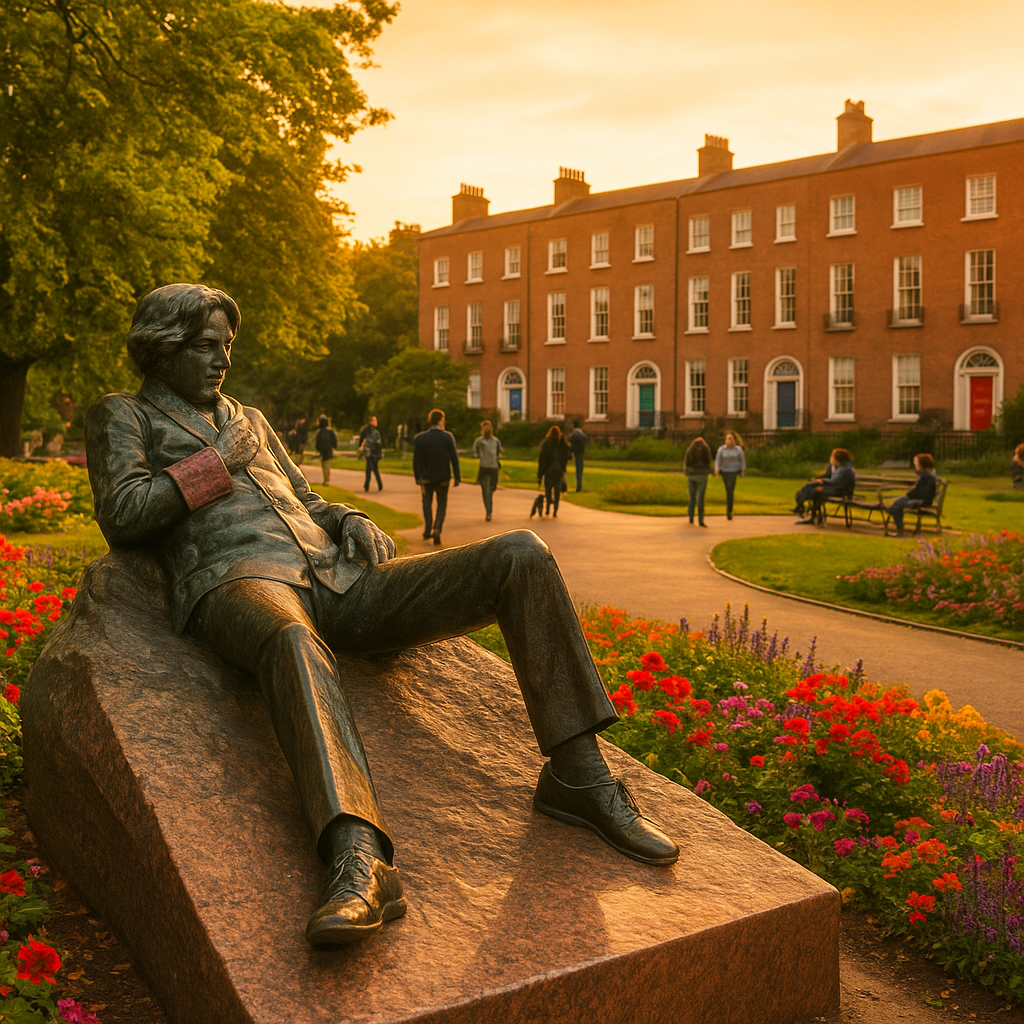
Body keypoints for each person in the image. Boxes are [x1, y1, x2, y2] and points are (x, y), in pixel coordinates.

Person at [86, 284, 678, 950]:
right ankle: (359, 858)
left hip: (336, 579)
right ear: (161, 347)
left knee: (521, 555)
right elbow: (126, 514)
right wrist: (215, 463)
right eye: (204, 345)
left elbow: (308, 499)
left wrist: (352, 518)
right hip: (237, 581)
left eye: (226, 345)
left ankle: (579, 775)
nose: (221, 359)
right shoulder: (124, 415)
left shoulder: (249, 416)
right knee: (290, 640)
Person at [412, 409, 460, 545]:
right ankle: (437, 528)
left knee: (426, 503)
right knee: (441, 504)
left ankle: (428, 529)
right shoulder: (447, 437)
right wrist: (457, 476)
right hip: (443, 477)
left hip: (426, 478)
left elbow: (417, 460)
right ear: (441, 420)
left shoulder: (420, 438)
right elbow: (454, 458)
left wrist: (417, 476)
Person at [793, 448, 855, 523]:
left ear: (837, 458)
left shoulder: (844, 469)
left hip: (840, 492)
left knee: (814, 490)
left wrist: (821, 482)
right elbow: (834, 481)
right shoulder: (842, 467)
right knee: (813, 487)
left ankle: (802, 506)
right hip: (837, 489)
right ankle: (802, 506)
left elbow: (834, 482)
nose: (830, 458)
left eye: (832, 456)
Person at [887, 453, 937, 537]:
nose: (915, 464)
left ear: (922, 464)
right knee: (896, 504)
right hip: (923, 500)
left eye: (916, 462)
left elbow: (918, 492)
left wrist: (908, 496)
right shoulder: (929, 474)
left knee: (894, 506)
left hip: (920, 501)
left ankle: (900, 531)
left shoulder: (926, 476)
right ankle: (900, 530)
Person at [472, 420, 503, 522]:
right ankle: (488, 511)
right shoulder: (479, 441)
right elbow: (475, 452)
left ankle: (489, 509)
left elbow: (499, 452)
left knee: (492, 489)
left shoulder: (496, 441)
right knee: (485, 491)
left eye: (488, 427)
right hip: (484, 467)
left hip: (493, 467)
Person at [537, 425, 570, 517]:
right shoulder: (562, 444)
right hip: (558, 471)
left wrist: (540, 475)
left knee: (548, 490)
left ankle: (547, 508)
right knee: (557, 491)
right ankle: (555, 509)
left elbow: (542, 460)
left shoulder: (546, 444)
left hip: (548, 471)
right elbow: (566, 457)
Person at [714, 432, 745, 521]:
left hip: (733, 471)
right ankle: (729, 508)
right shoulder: (722, 450)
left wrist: (742, 470)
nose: (729, 441)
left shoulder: (738, 450)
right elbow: (718, 460)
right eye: (727, 439)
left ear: (734, 440)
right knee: (727, 489)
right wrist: (717, 469)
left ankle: (729, 511)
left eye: (731, 439)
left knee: (730, 489)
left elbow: (742, 460)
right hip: (725, 471)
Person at [683, 436, 712, 527]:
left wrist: (687, 471)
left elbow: (686, 462)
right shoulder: (706, 450)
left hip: (692, 475)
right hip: (702, 475)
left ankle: (691, 518)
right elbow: (708, 462)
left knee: (692, 498)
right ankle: (701, 519)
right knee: (701, 498)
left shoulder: (690, 450)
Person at [358, 415, 384, 493]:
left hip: (374, 453)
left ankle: (373, 485)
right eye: (374, 420)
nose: (376, 422)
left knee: (373, 469)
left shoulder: (375, 432)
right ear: (370, 421)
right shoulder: (367, 431)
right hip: (370, 453)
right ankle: (372, 485)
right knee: (371, 469)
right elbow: (362, 440)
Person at [314, 416, 338, 486]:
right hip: (329, 450)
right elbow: (334, 442)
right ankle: (326, 479)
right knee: (327, 465)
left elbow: (317, 444)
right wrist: (334, 447)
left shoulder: (319, 433)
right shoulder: (330, 432)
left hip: (323, 451)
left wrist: (318, 449)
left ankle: (326, 479)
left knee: (324, 465)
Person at [568, 421, 589, 492]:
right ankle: (579, 485)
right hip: (580, 454)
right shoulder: (582, 435)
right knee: (579, 470)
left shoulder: (572, 435)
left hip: (575, 453)